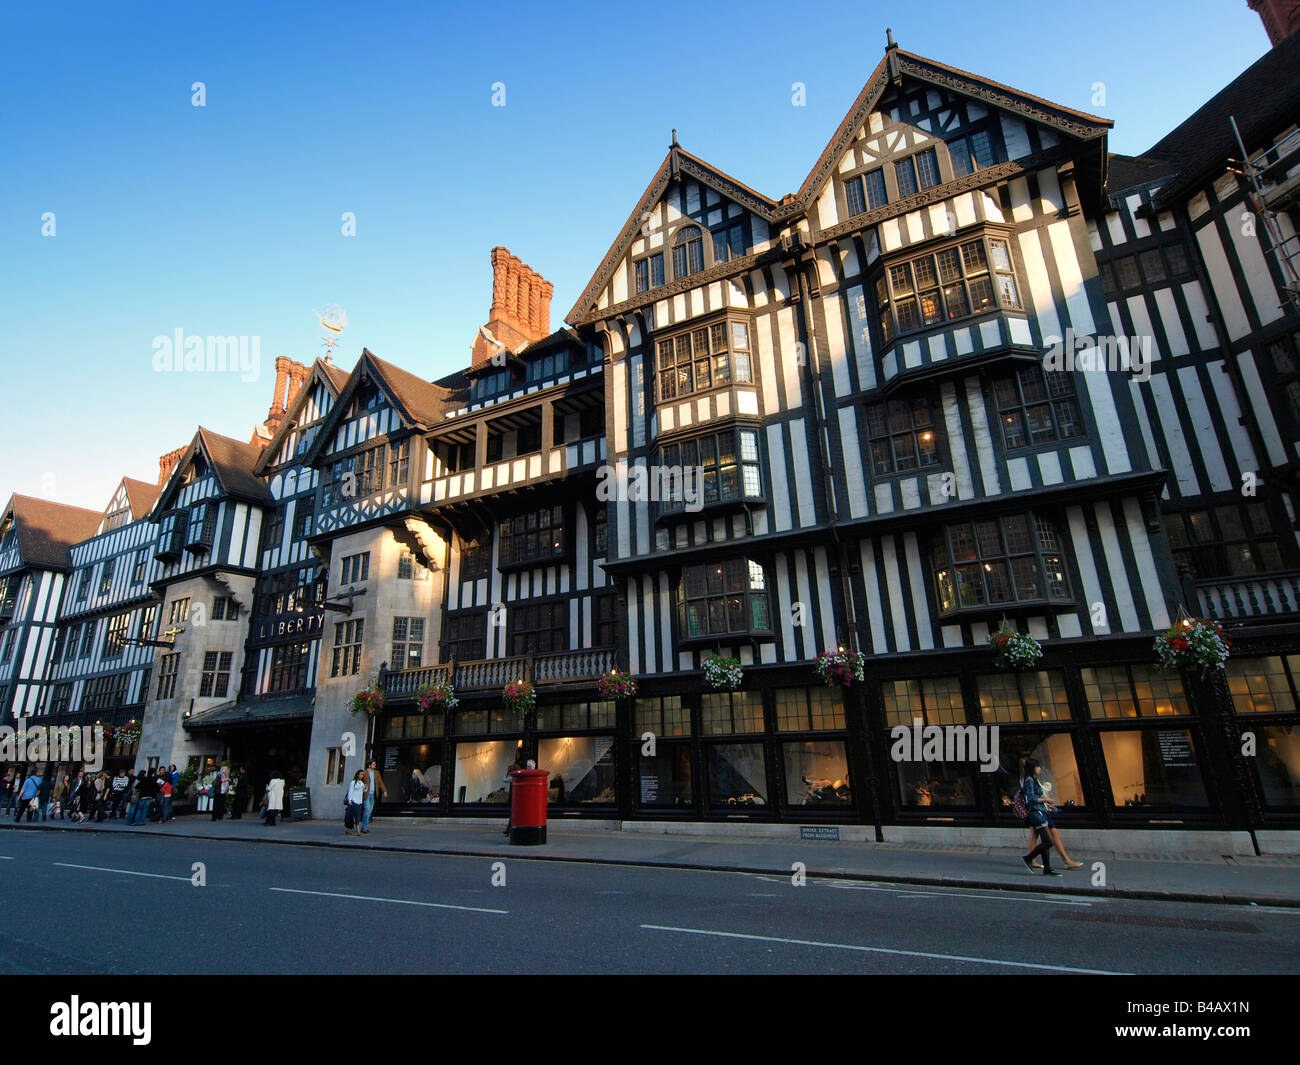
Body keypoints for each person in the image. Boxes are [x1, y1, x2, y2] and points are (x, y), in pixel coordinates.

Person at [1020, 758, 1062, 878]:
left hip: (1040, 811)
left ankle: (1047, 868)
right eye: (1037, 766)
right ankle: (1028, 858)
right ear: (1032, 768)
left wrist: (1047, 804)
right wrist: (1046, 800)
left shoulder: (1033, 779)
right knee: (1049, 841)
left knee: (1045, 841)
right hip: (1036, 813)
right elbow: (1032, 798)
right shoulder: (1029, 780)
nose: (1039, 768)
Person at [359, 759, 386, 834]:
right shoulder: (364, 773)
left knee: (369, 811)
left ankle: (365, 827)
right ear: (369, 765)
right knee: (367, 810)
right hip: (366, 794)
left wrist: (384, 791)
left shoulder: (376, 773)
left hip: (373, 794)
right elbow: (359, 781)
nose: (375, 765)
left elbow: (380, 782)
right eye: (374, 764)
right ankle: (364, 828)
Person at [344, 770, 367, 835]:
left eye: (362, 775)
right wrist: (349, 800)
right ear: (357, 775)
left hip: (359, 801)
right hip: (354, 801)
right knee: (355, 816)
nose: (361, 776)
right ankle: (358, 830)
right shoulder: (353, 782)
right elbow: (350, 791)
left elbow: (364, 790)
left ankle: (348, 830)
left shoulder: (361, 783)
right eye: (360, 774)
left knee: (355, 815)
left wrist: (366, 787)